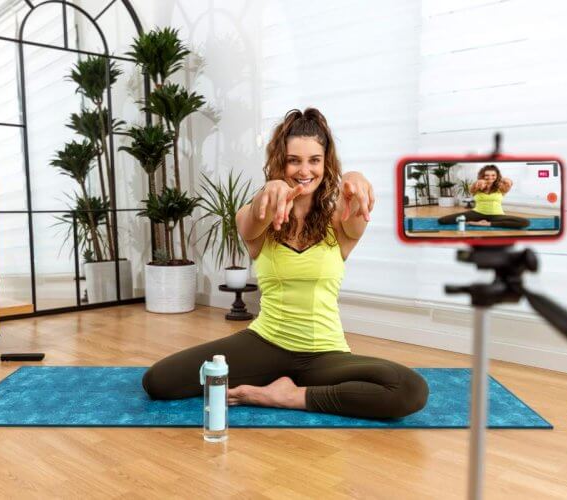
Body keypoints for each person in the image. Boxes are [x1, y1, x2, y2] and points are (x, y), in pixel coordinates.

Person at [142, 108, 429, 419]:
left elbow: (357, 201)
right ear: (280, 161)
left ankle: (288, 396)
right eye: (294, 160)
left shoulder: (341, 219)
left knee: (410, 389)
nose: (304, 170)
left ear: (326, 163)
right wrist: (268, 191)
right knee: (159, 381)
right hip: (264, 344)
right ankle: (277, 382)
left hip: (325, 354)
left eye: (314, 160)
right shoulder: (256, 215)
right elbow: (253, 220)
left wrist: (354, 177)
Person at [437, 164, 530, 229]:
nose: (490, 178)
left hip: (497, 215)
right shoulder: (476, 186)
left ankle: (486, 224)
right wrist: (478, 184)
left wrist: (507, 180)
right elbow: (472, 189)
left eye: (493, 175)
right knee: (442, 220)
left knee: (525, 222)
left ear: (497, 176)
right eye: (487, 175)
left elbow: (509, 184)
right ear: (482, 176)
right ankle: (483, 222)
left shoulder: (501, 188)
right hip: (477, 213)